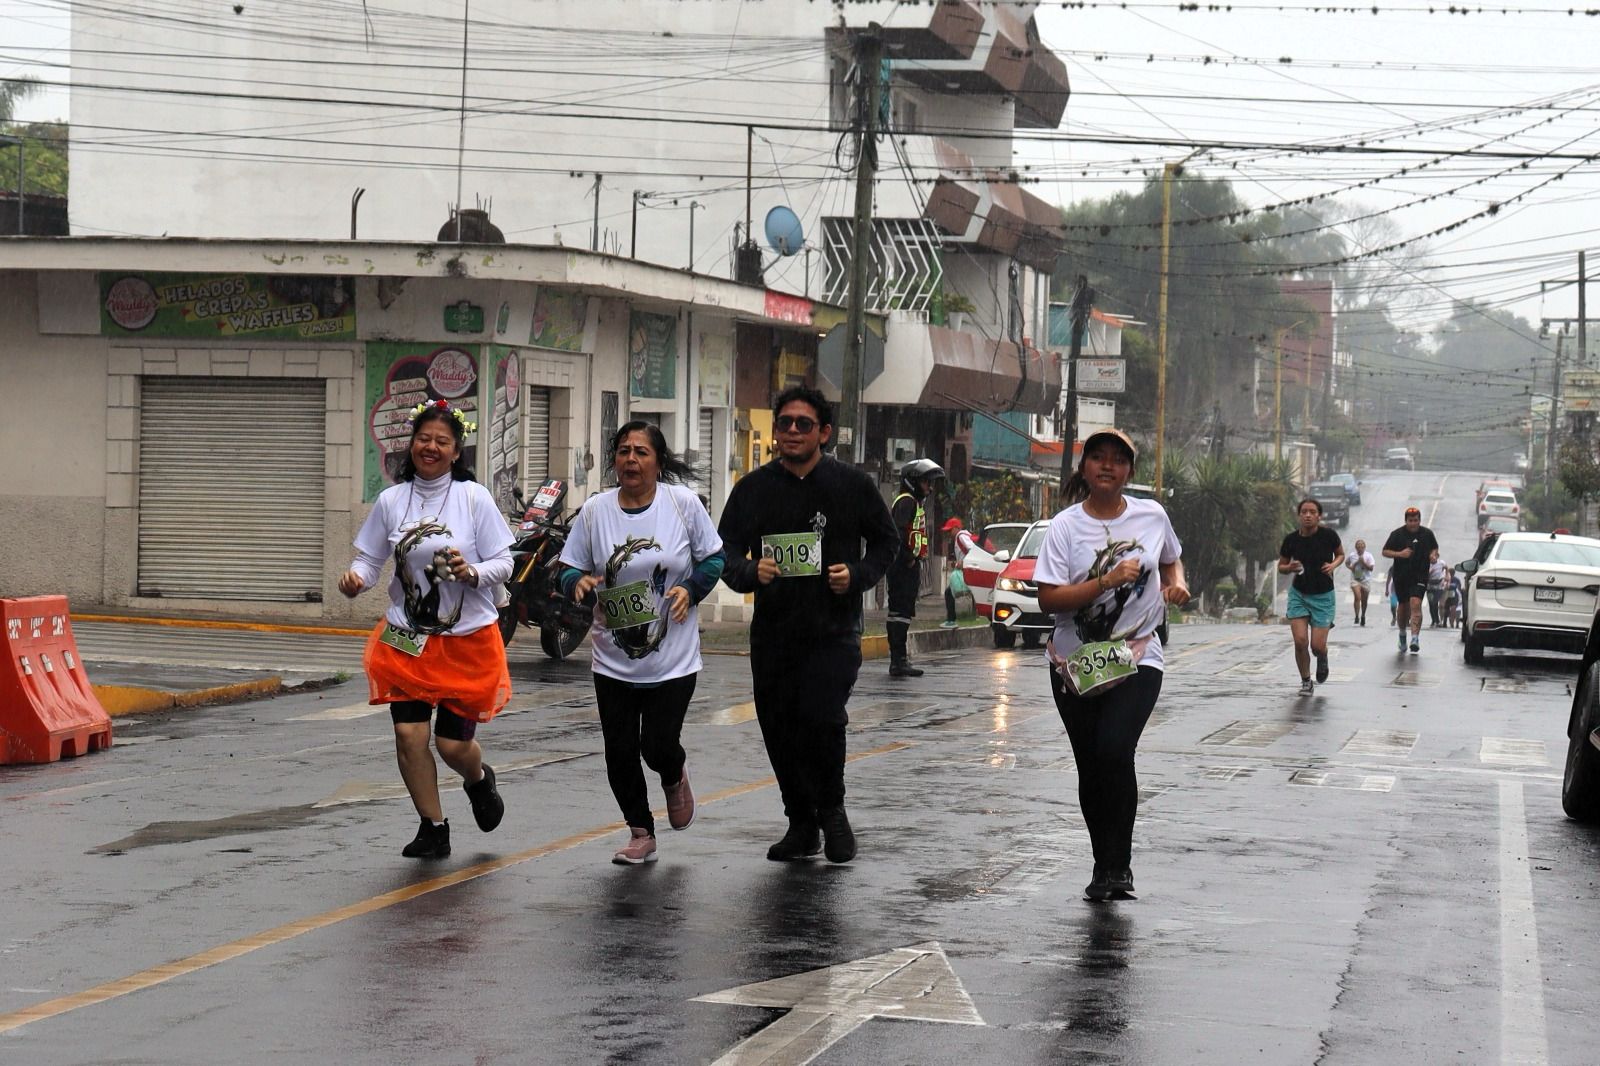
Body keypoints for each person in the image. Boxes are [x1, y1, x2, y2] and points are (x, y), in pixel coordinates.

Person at [717, 386, 898, 864]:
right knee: (779, 726)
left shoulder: (851, 485)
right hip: (774, 634)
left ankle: (832, 811)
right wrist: (750, 570)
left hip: (832, 631)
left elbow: (887, 542)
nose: (793, 431)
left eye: (804, 424)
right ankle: (800, 822)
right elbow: (723, 551)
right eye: (785, 423)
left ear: (824, 433)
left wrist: (856, 575)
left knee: (822, 718)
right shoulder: (753, 489)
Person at [339, 399, 513, 860]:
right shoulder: (392, 501)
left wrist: (471, 572)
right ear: (411, 444)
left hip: (466, 640)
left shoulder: (473, 498)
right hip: (407, 638)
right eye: (423, 439)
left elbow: (504, 562)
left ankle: (478, 779)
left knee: (453, 745)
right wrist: (356, 580)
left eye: (441, 441)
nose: (430, 447)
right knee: (409, 736)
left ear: (456, 451)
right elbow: (370, 560)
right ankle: (433, 827)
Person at [559, 422, 726, 865]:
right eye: (623, 451)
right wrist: (577, 583)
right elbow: (568, 566)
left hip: (673, 660)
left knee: (657, 745)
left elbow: (714, 558)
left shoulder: (682, 504)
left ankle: (673, 774)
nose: (630, 459)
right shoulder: (595, 511)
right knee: (619, 751)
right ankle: (640, 831)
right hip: (612, 659)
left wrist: (690, 588)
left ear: (658, 461)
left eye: (641, 452)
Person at [1034, 429, 1188, 903]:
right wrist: (1105, 581)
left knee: (1115, 749)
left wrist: (1177, 584)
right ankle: (1103, 865)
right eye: (1097, 457)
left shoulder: (1152, 515)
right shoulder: (1064, 527)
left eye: (1117, 460)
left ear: (1129, 471)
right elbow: (1048, 599)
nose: (1107, 466)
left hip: (1137, 654)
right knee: (1091, 763)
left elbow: (1172, 560)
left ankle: (1119, 864)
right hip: (1075, 661)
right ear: (1084, 468)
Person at [1279, 498, 1345, 695]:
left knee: (1316, 646)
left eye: (1312, 512)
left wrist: (1333, 565)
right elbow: (1281, 566)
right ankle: (1306, 681)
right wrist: (1289, 567)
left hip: (1323, 596)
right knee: (1300, 641)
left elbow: (1340, 554)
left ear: (1319, 516)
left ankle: (1322, 656)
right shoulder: (1291, 540)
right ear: (1299, 515)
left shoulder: (1329, 535)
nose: (1308, 515)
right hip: (1299, 594)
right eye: (1304, 512)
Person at [886, 457, 945, 677]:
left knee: (903, 612)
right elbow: (898, 533)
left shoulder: (913, 502)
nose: (929, 487)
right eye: (925, 482)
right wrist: (909, 557)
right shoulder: (906, 502)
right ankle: (898, 661)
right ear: (912, 482)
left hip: (908, 566)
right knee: (899, 613)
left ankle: (900, 659)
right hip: (902, 566)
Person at [1382, 506, 1440, 654]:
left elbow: (1434, 548)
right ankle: (1402, 634)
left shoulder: (1427, 534)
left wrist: (1433, 555)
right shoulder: (1397, 534)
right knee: (1403, 607)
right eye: (1410, 521)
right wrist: (1400, 554)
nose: (1413, 523)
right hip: (1401, 575)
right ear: (1406, 521)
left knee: (1416, 603)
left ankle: (1415, 638)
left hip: (1420, 575)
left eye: (1415, 520)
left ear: (1419, 520)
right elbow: (1385, 551)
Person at [941, 516, 977, 628]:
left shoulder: (960, 536)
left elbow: (973, 550)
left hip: (968, 570)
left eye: (950, 530)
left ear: (956, 528)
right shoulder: (962, 536)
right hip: (968, 570)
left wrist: (963, 563)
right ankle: (972, 616)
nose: (949, 533)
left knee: (949, 593)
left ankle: (951, 620)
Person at [1345, 539, 1376, 626]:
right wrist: (1352, 566)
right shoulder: (1352, 555)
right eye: (1358, 546)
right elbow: (1347, 563)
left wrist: (1363, 562)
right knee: (1357, 596)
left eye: (1362, 546)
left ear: (1364, 547)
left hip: (1366, 580)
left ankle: (1363, 615)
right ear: (1356, 547)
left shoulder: (1369, 555)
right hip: (1355, 578)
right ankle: (1356, 616)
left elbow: (1371, 568)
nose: (1360, 547)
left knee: (1364, 600)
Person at [1426, 550, 1447, 628]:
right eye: (1431, 556)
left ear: (1437, 556)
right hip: (1430, 586)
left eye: (1434, 556)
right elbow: (1423, 576)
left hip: (1439, 586)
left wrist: (1447, 576)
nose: (1433, 558)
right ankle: (1433, 620)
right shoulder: (1426, 564)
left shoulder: (1441, 563)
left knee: (1435, 602)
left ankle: (1437, 621)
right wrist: (1429, 573)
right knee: (1431, 604)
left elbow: (1446, 568)